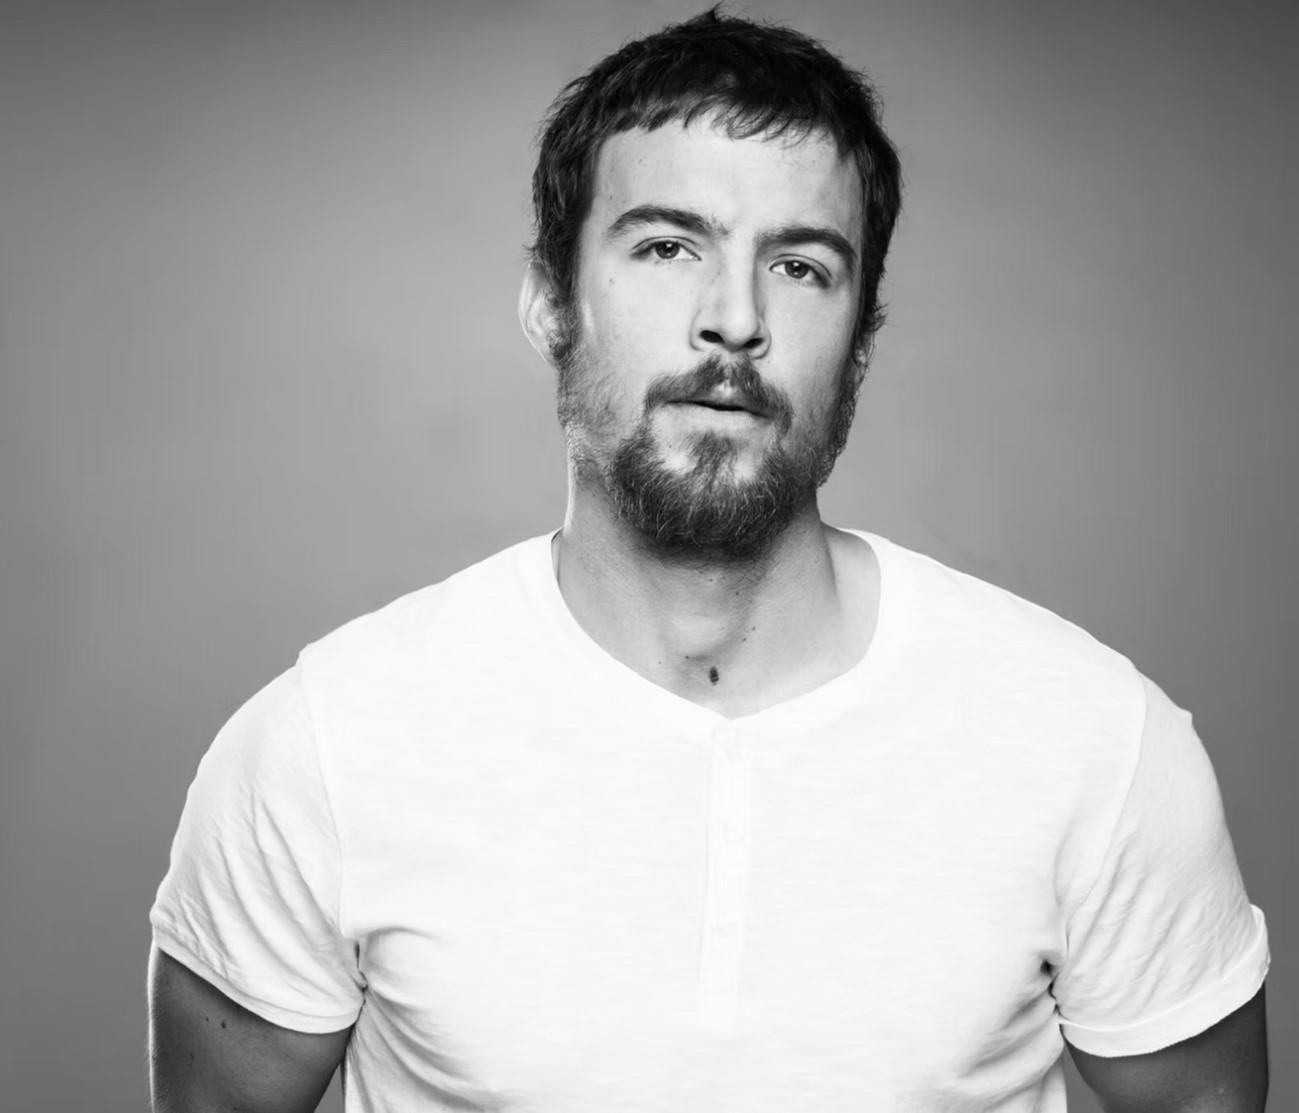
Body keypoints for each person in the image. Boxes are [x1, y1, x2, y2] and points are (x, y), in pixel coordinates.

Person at [147, 9, 1270, 1111]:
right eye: (666, 246)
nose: (734, 319)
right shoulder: (326, 748)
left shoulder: (1094, 742)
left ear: (860, 346)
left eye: (801, 266)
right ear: (549, 302)